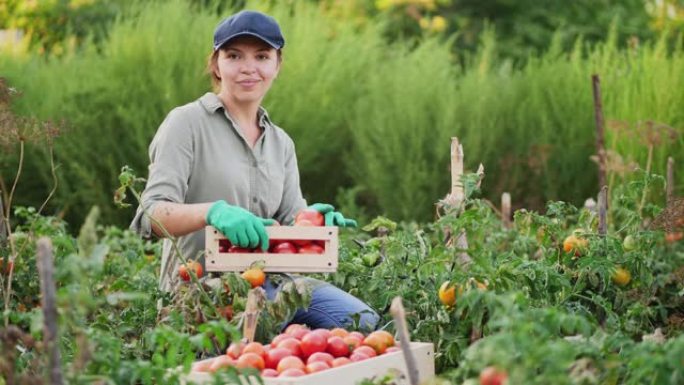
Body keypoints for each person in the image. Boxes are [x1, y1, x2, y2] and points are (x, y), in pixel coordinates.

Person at [130, 10, 379, 331]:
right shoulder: (186, 123)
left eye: (262, 56)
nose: (249, 68)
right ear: (216, 64)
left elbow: (290, 221)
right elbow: (151, 216)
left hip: (274, 282)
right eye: (234, 56)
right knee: (257, 340)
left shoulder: (280, 142)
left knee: (363, 323)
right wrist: (213, 212)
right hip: (200, 290)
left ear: (277, 65)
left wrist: (313, 222)